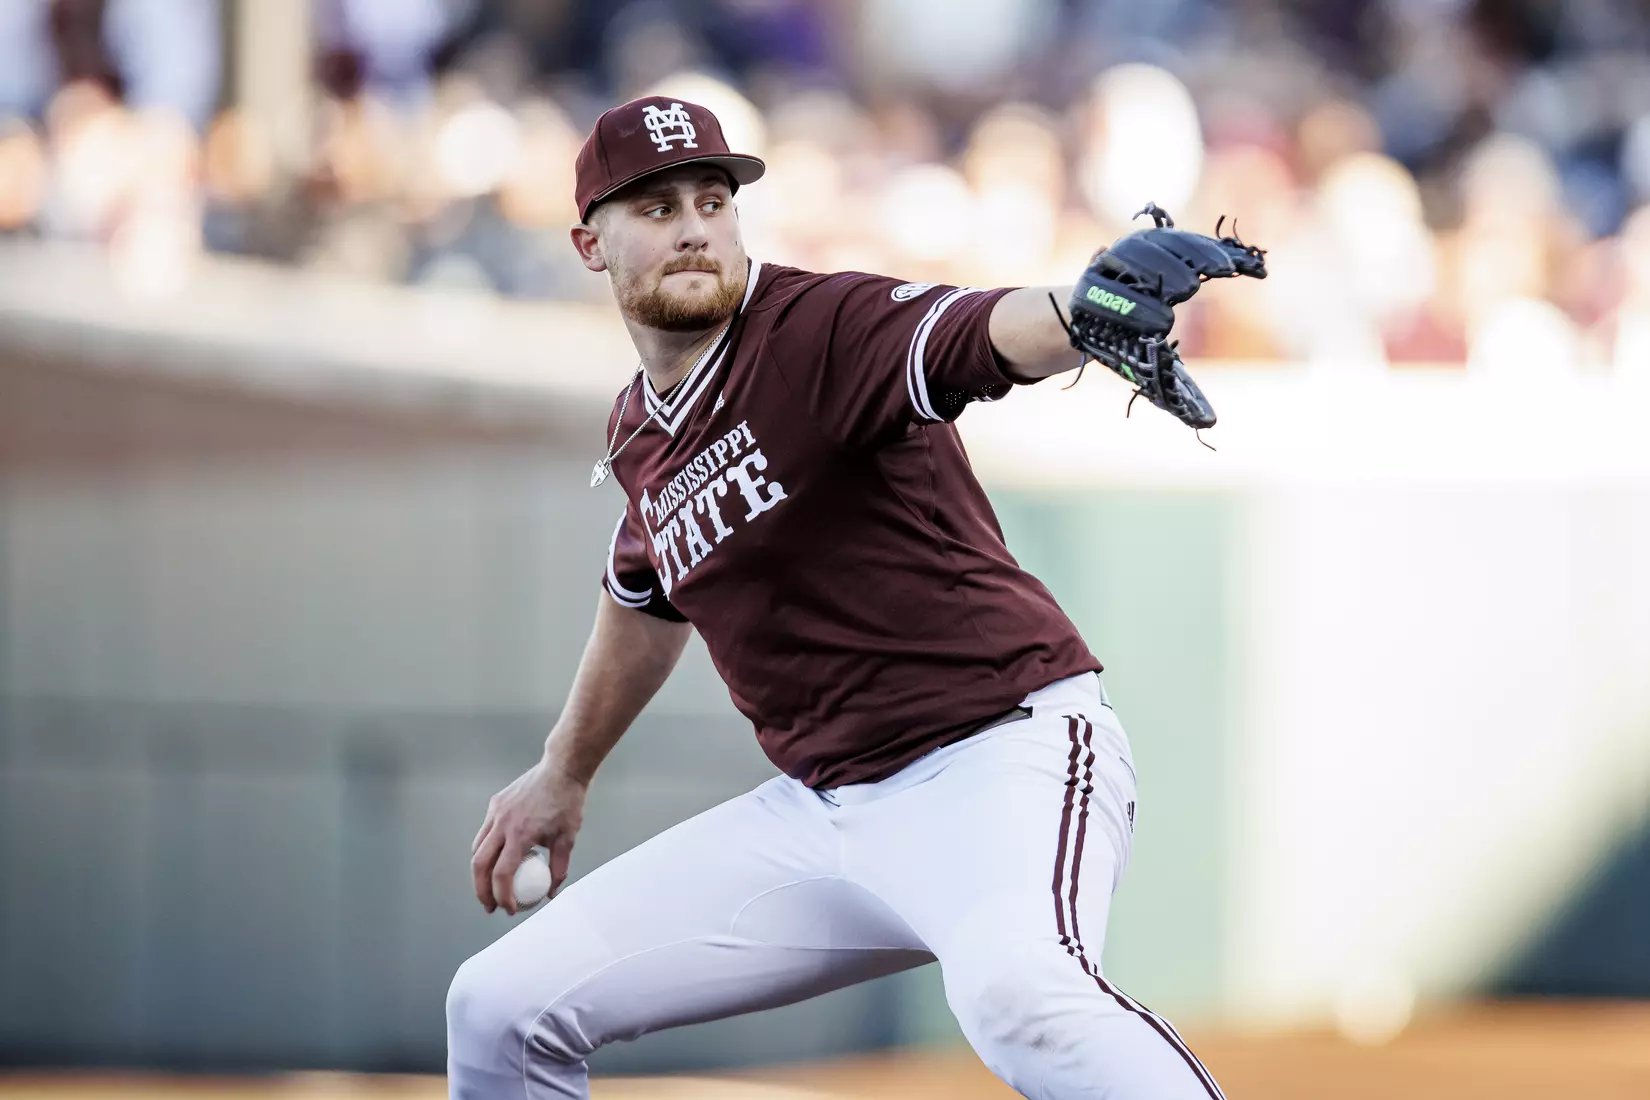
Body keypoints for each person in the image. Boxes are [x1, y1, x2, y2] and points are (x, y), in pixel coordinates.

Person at [446, 95, 1225, 1100]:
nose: (692, 224)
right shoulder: (642, 430)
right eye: (654, 207)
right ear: (590, 243)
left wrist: (1079, 313)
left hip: (997, 759)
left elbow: (975, 334)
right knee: (499, 1005)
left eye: (712, 199)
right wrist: (562, 770)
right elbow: (643, 595)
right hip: (827, 813)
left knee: (1022, 996)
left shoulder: (815, 327)